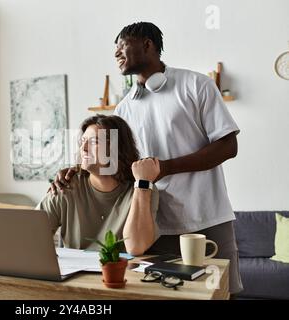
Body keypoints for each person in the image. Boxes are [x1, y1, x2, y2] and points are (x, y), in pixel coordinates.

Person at [50, 22, 242, 294]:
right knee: (161, 295)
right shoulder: (124, 107)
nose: (116, 54)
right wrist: (76, 170)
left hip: (207, 218)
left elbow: (227, 146)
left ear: (147, 45)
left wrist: (164, 167)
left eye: (121, 46)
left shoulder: (197, 85)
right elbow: (113, 163)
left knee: (220, 293)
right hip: (155, 226)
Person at [37, 114, 160, 255]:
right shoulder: (66, 185)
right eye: (83, 141)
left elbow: (136, 247)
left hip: (121, 275)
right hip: (75, 276)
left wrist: (143, 185)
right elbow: (29, 234)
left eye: (94, 142)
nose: (83, 149)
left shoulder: (142, 190)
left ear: (116, 148)